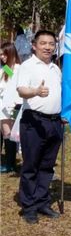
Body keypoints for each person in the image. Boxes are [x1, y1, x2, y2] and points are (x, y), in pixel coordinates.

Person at [15, 30, 62, 224]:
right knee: (31, 165)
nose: (48, 47)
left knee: (47, 165)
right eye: (43, 43)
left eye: (51, 44)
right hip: (34, 121)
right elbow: (21, 90)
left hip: (55, 122)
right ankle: (29, 206)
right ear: (34, 46)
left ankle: (42, 201)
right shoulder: (27, 66)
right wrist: (35, 91)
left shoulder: (56, 68)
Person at [0, 42, 22, 173]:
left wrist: (15, 105)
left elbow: (18, 88)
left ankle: (10, 164)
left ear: (11, 53)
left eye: (4, 54)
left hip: (13, 106)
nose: (2, 57)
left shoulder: (18, 69)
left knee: (9, 134)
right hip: (4, 106)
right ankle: (9, 163)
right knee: (6, 133)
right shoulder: (7, 69)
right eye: (0, 55)